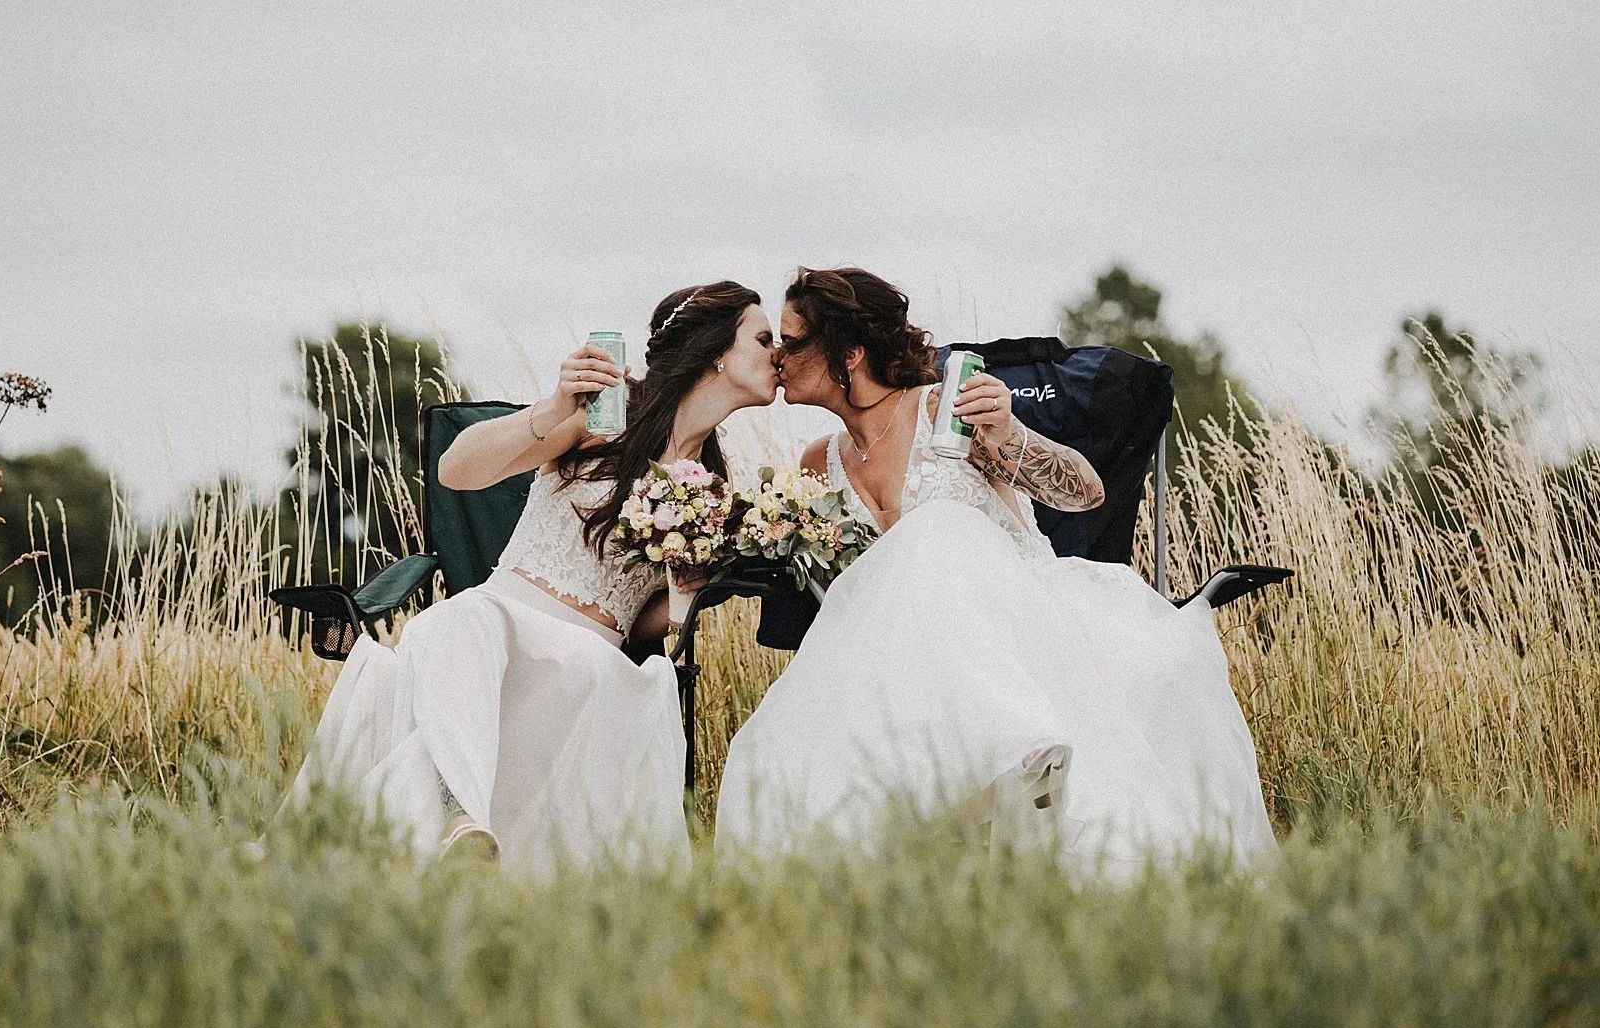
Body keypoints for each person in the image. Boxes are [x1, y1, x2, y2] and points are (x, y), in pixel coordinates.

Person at [716, 267, 1279, 879]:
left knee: (938, 531)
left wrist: (1009, 433)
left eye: (793, 341)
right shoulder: (816, 464)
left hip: (1023, 628)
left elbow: (1085, 495)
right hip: (909, 670)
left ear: (848, 353)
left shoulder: (946, 412)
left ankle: (1022, 747)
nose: (778, 356)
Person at [286, 281, 781, 871]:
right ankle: (456, 818)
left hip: (592, 658)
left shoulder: (713, 488)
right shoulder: (606, 416)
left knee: (467, 632)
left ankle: (408, 837)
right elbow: (455, 471)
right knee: (459, 619)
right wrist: (554, 408)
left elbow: (649, 620)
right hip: (502, 626)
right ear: (717, 352)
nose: (778, 352)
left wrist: (683, 595)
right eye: (764, 338)